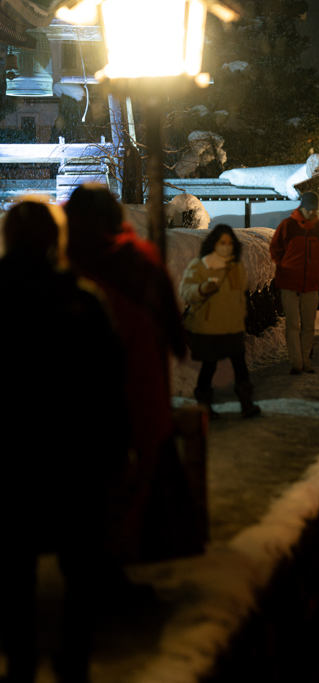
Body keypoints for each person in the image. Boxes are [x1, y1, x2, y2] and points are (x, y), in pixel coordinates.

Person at [0, 198, 130, 683]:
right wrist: (118, 448)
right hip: (75, 455)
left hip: (10, 457)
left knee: (13, 570)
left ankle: (20, 658)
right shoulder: (82, 298)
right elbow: (110, 379)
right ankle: (74, 658)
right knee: (81, 564)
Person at [64, 185, 201, 565]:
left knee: (86, 479)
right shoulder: (138, 259)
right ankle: (125, 554)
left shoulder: (64, 262)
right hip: (138, 383)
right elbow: (173, 329)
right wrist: (175, 343)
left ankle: (87, 566)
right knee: (136, 472)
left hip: (79, 391)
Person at [179, 224, 261, 418]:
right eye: (222, 242)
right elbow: (186, 291)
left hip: (231, 326)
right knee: (209, 366)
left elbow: (240, 294)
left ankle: (246, 402)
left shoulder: (236, 267)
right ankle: (205, 406)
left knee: (239, 364)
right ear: (213, 243)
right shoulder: (201, 266)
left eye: (229, 243)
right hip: (208, 326)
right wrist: (201, 290)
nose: (226, 246)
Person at [270, 192, 319, 374]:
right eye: (309, 209)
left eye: (315, 210)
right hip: (289, 283)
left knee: (308, 326)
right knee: (293, 325)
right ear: (301, 207)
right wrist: (284, 265)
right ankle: (296, 363)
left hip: (311, 284)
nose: (312, 213)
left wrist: (318, 268)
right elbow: (275, 248)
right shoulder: (287, 226)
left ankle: (305, 361)